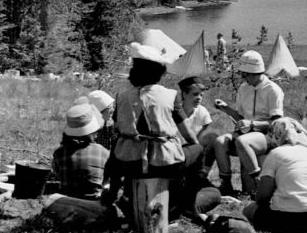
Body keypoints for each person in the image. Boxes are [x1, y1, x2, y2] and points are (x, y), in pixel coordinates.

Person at [102, 39, 206, 213]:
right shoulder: (170, 95)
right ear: (159, 72)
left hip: (130, 161)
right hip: (162, 162)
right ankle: (188, 204)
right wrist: (194, 145)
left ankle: (113, 196)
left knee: (120, 146)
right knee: (198, 150)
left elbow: (117, 129)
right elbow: (188, 134)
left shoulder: (122, 96)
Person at [242, 118, 307, 233]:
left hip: (291, 222)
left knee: (249, 210)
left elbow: (262, 197)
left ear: (276, 135)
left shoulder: (276, 154)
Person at [211, 50, 284, 196]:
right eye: (242, 74)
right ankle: (226, 184)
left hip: (266, 135)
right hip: (247, 134)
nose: (243, 78)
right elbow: (241, 118)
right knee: (219, 142)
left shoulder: (273, 90)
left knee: (242, 142)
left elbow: (276, 123)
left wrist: (251, 124)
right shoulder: (244, 89)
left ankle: (257, 181)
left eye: (246, 74)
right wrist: (226, 108)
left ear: (256, 73)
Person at [52, 103, 109, 200]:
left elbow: (57, 174)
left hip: (66, 199)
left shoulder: (59, 152)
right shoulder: (103, 152)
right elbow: (108, 178)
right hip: (93, 202)